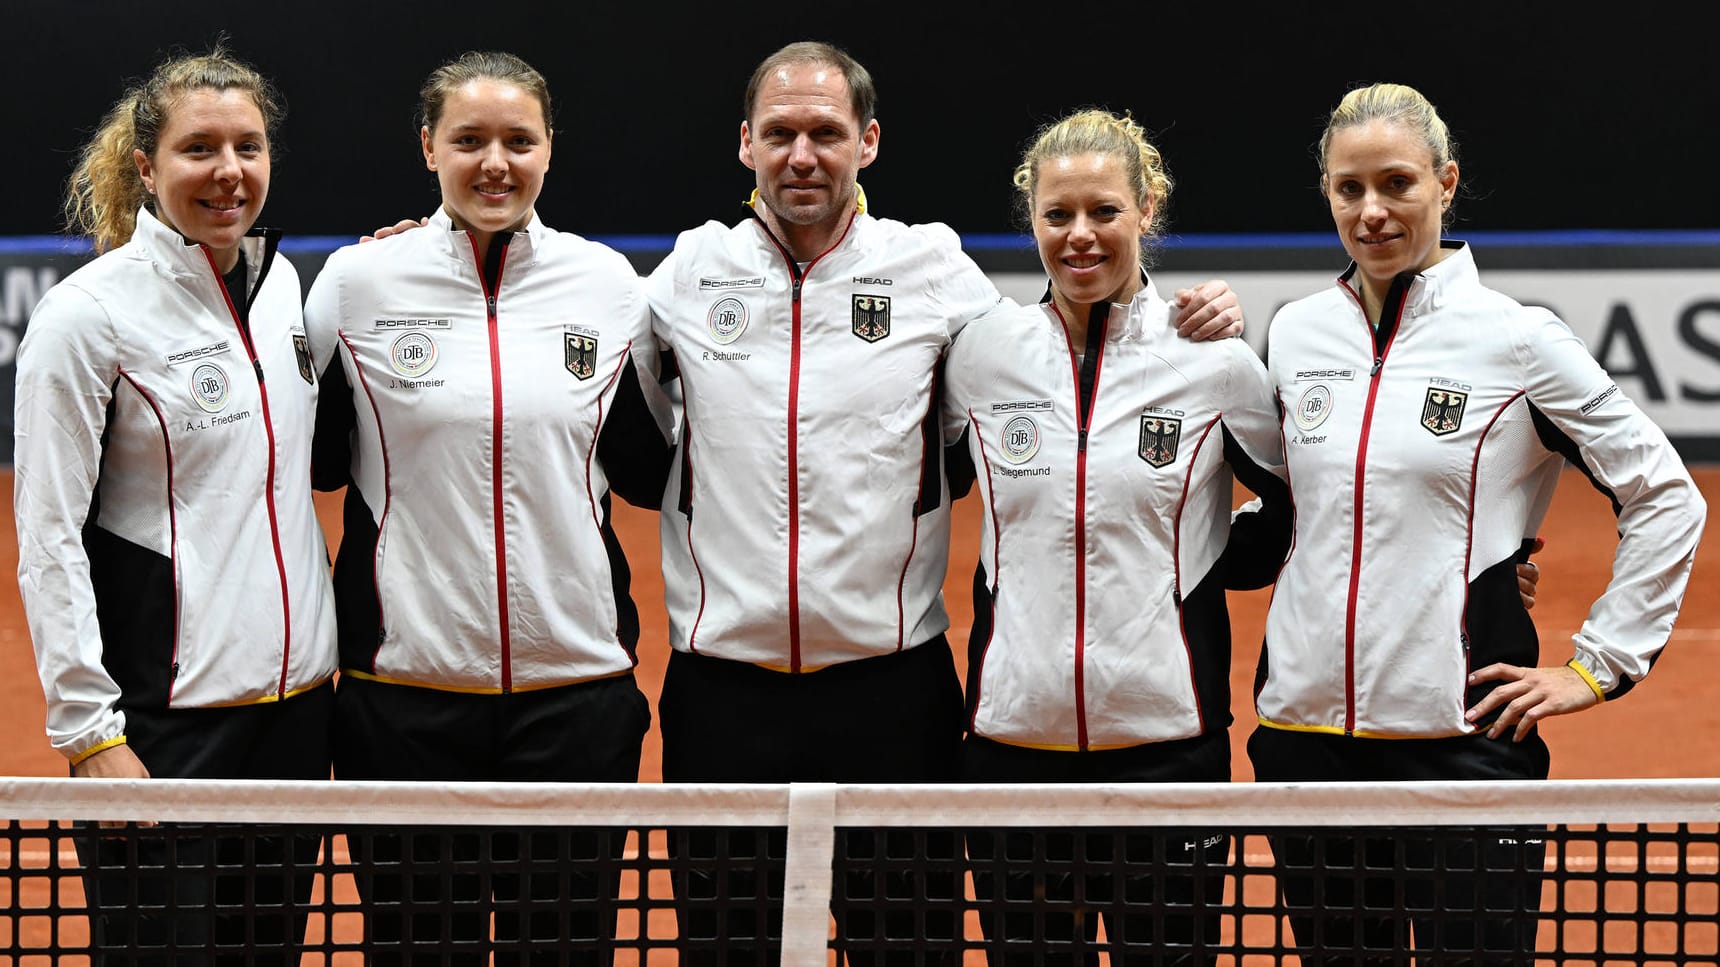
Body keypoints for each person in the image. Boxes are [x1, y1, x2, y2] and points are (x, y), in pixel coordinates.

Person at [643, 42, 1242, 966]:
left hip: (893, 690)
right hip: (722, 692)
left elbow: (1060, 349)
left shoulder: (934, 273)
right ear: (745, 145)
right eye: (780, 133)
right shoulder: (686, 273)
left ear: (868, 141)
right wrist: (428, 239)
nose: (803, 154)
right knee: (727, 949)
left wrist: (1196, 313)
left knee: (906, 948)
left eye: (827, 133)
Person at [1247, 82, 1707, 965]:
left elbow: (1665, 492)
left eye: (1397, 184)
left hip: (1461, 750)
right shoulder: (1297, 331)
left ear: (1446, 183)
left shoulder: (1519, 340)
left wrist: (1598, 665)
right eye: (1349, 189)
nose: (1371, 211)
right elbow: (1295, 510)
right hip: (1304, 742)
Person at [304, 50, 671, 966]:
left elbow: (644, 467)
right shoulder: (356, 286)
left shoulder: (609, 287)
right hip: (404, 704)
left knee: (567, 947)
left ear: (550, 150)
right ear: (428, 147)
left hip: (577, 698)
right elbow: (309, 461)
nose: (494, 162)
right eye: (468, 140)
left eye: (519, 139)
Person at [942, 108, 1290, 967]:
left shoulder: (1216, 363)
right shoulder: (980, 355)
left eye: (1104, 210)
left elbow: (1299, 512)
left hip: (1169, 755)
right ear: (1031, 219)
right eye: (1058, 215)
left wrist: (1209, 571)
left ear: (1148, 208)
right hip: (1011, 752)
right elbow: (906, 483)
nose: (1080, 235)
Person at [13, 47, 336, 965]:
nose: (229, 172)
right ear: (147, 167)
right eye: (200, 149)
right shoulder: (88, 317)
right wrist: (90, 734)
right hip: (163, 728)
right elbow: (47, 535)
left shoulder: (284, 292)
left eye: (249, 146)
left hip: (295, 718)